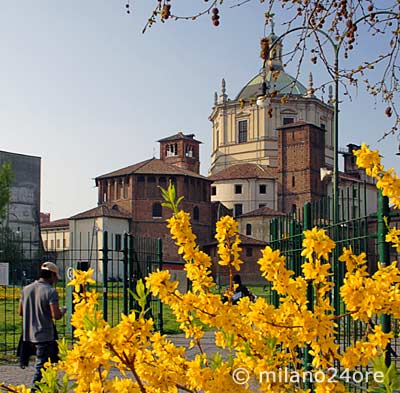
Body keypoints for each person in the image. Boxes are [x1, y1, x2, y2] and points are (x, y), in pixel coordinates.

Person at [18, 261, 66, 387]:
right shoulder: (51, 292)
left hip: (28, 334)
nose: (55, 280)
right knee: (42, 365)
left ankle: (43, 387)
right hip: (44, 334)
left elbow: (21, 312)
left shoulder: (26, 289)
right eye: (55, 277)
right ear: (52, 275)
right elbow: (56, 315)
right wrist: (64, 310)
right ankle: (36, 388)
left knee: (42, 364)